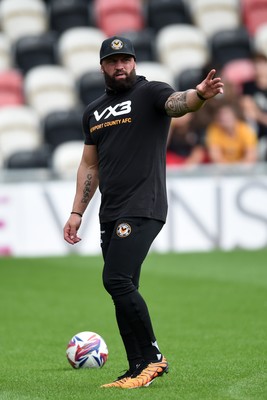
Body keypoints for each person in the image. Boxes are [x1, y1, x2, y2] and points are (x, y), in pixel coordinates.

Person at [63, 36, 224, 389]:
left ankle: (152, 358)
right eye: (112, 61)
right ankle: (137, 366)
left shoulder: (150, 92)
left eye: (126, 59)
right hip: (110, 211)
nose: (120, 66)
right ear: (102, 66)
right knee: (124, 285)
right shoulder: (94, 111)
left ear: (134, 63)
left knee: (115, 280)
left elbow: (178, 103)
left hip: (144, 204)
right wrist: (77, 212)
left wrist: (198, 94)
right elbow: (89, 165)